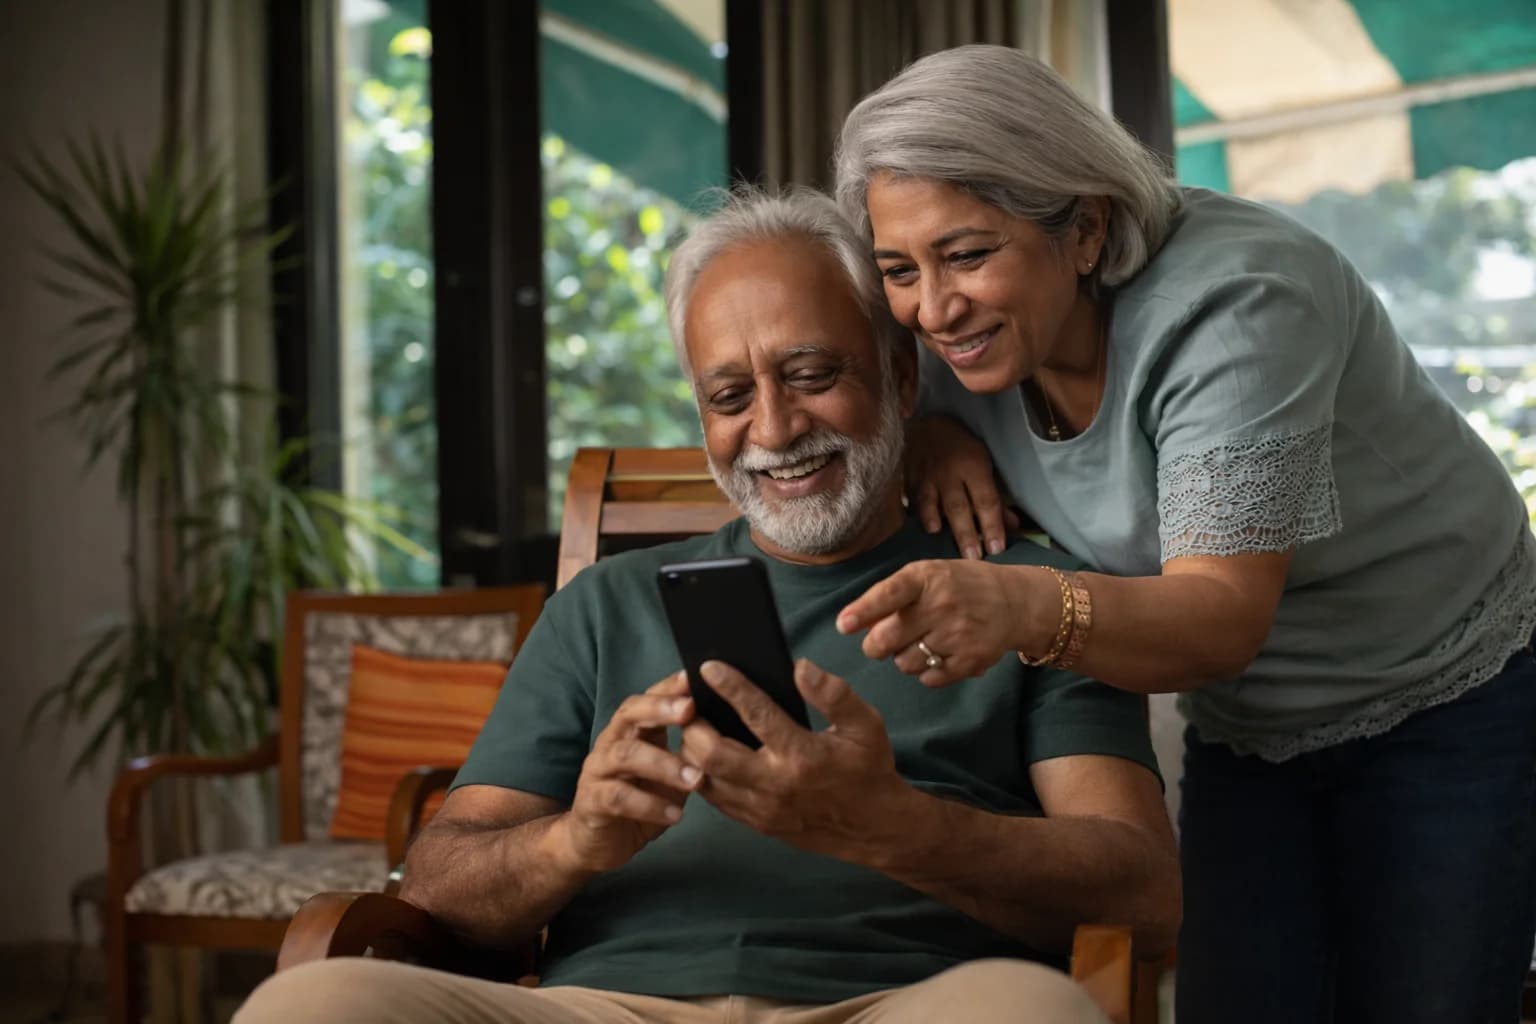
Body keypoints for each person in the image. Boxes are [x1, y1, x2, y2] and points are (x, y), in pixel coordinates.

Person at [233, 188, 1178, 1024]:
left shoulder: (1031, 597)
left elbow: (1142, 886)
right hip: (607, 1005)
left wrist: (897, 826)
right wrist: (573, 842)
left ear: (898, 377)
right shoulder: (604, 606)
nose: (772, 430)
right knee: (317, 1001)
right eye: (730, 394)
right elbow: (438, 886)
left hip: (904, 1001)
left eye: (811, 376)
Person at [830, 43, 1536, 1024]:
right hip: (1249, 722)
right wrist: (932, 432)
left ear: (1085, 227)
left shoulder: (1238, 302)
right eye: (899, 269)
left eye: (968, 253)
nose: (933, 307)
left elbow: (1216, 619)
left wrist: (1021, 604)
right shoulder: (952, 337)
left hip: (1444, 679)